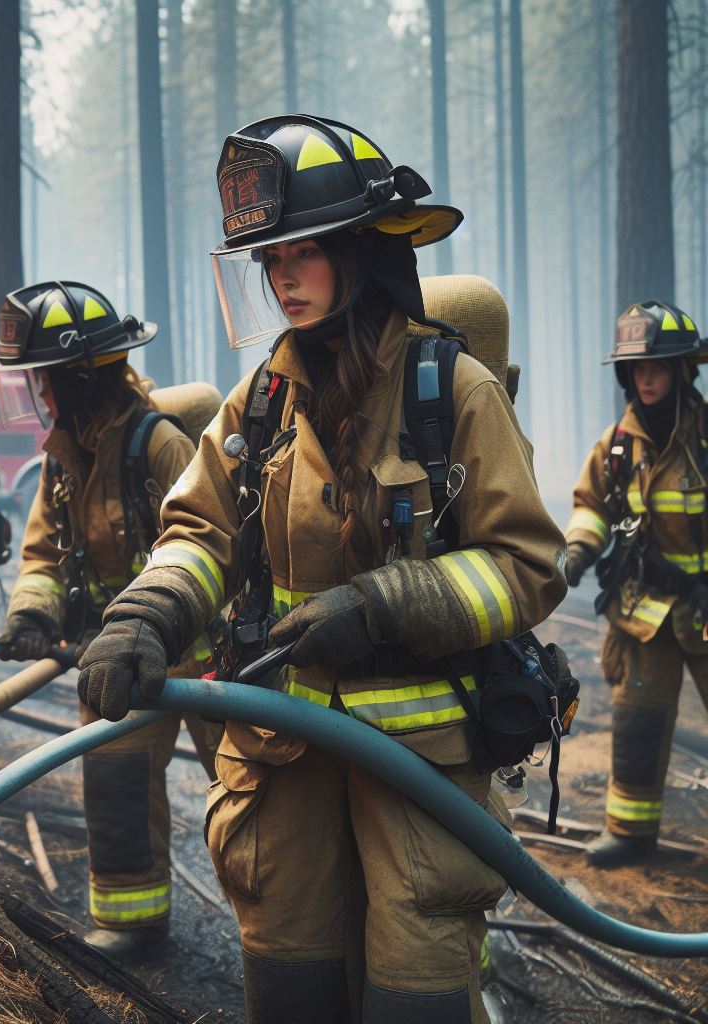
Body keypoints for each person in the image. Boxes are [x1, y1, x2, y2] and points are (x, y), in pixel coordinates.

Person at [77, 115, 566, 1023]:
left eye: (301, 251)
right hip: (282, 766)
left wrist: (384, 605)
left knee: (412, 997)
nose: (281, 277)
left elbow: (527, 565)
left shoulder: (448, 392)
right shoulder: (261, 401)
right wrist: (145, 617)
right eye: (266, 259)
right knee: (291, 989)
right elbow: (199, 533)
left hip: (419, 772)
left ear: (359, 252)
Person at [0, 281, 220, 959]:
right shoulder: (62, 461)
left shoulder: (161, 443)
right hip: (113, 653)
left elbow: (212, 542)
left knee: (250, 789)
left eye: (42, 382)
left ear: (79, 379)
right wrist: (32, 613)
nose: (37, 397)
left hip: (201, 647)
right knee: (113, 778)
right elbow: (41, 554)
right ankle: (132, 917)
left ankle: (291, 930)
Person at [565, 300, 708, 867]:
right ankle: (630, 833)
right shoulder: (616, 446)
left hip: (703, 605)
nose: (646, 379)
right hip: (644, 611)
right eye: (637, 370)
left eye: (657, 369)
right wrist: (578, 549)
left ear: (681, 371)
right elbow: (591, 505)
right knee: (638, 721)